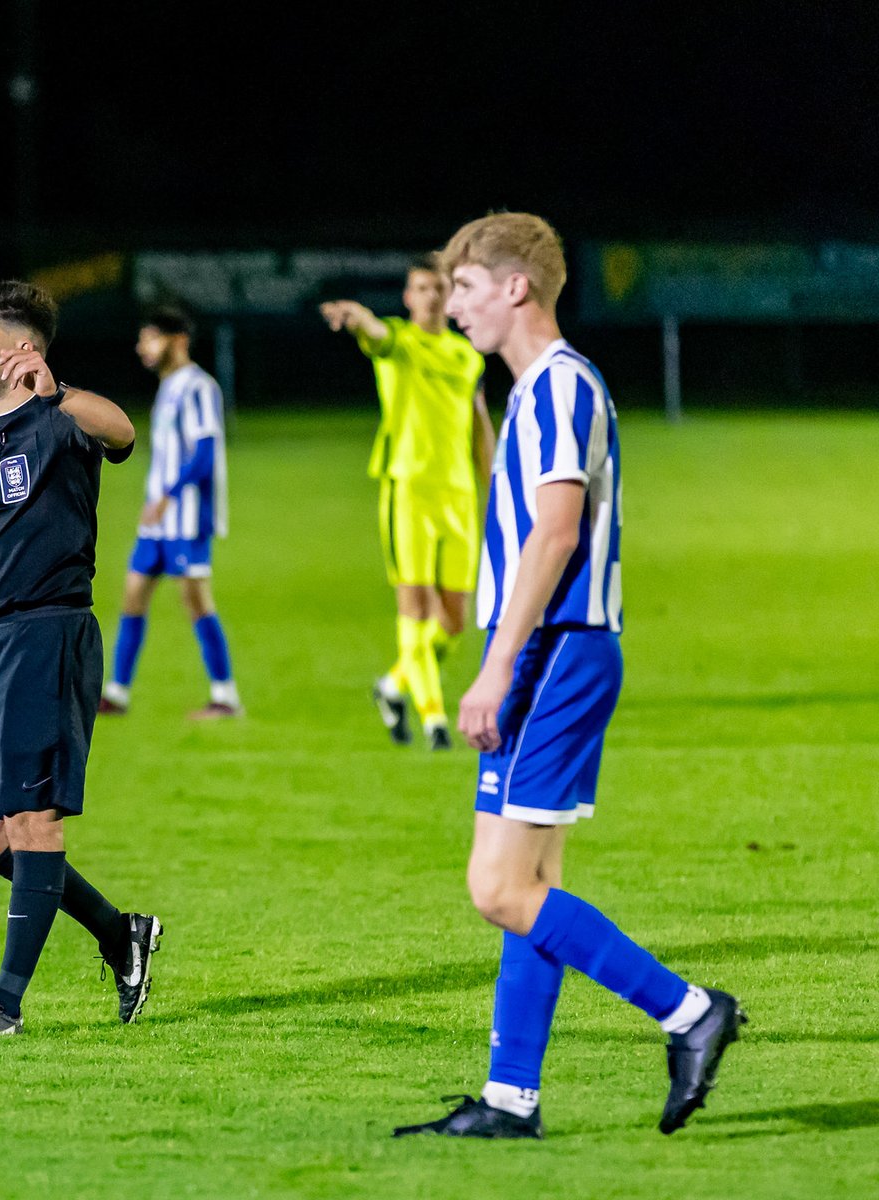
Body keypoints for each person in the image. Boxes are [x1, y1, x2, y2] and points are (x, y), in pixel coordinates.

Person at [393, 214, 744, 1139]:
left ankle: (690, 1011)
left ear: (515, 289)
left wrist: (497, 666)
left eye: (465, 289)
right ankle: (512, 1099)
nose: (454, 307)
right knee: (531, 885)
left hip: (556, 652)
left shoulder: (555, 387)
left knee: (500, 888)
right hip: (548, 652)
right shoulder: (540, 393)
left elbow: (556, 532)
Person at [0, 280, 163, 1039]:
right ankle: (118, 931)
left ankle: (6, 1004)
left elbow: (121, 431)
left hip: (46, 635)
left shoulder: (61, 421)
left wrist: (55, 394)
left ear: (21, 350)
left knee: (33, 821)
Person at [320, 258, 492, 750]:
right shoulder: (397, 343)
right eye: (423, 288)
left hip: (457, 494)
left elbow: (479, 427)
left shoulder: (467, 356)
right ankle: (435, 719)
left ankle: (394, 686)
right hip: (408, 488)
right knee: (415, 607)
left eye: (440, 288)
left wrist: (495, 485)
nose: (433, 297)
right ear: (408, 297)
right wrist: (356, 316)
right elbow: (374, 334)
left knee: (454, 620)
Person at [98, 305, 242, 720]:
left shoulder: (199, 387)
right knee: (133, 595)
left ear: (177, 340)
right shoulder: (169, 387)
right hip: (158, 523)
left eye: (150, 338)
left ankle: (225, 695)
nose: (142, 347)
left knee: (196, 601)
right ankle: (117, 694)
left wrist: (168, 495)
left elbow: (206, 453)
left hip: (187, 517)